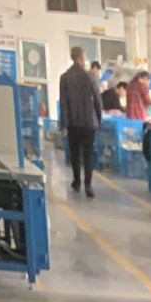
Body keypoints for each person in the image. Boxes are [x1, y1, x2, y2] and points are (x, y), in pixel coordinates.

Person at [58, 46, 101, 199]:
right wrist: (99, 119)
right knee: (88, 155)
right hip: (89, 122)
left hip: (73, 122)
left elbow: (63, 103)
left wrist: (64, 125)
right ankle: (88, 185)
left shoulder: (64, 77)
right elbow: (97, 99)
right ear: (81, 58)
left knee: (75, 154)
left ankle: (77, 182)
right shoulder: (89, 77)